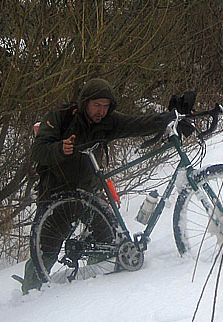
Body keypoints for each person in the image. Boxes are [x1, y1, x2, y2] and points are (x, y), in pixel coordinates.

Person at [19, 78, 173, 293]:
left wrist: (167, 118)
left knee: (107, 242)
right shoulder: (61, 117)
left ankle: (95, 289)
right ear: (85, 103)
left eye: (105, 106)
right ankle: (28, 296)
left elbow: (137, 124)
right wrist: (59, 149)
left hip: (89, 195)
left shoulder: (107, 122)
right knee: (45, 252)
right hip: (56, 196)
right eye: (96, 105)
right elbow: (38, 151)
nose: (101, 111)